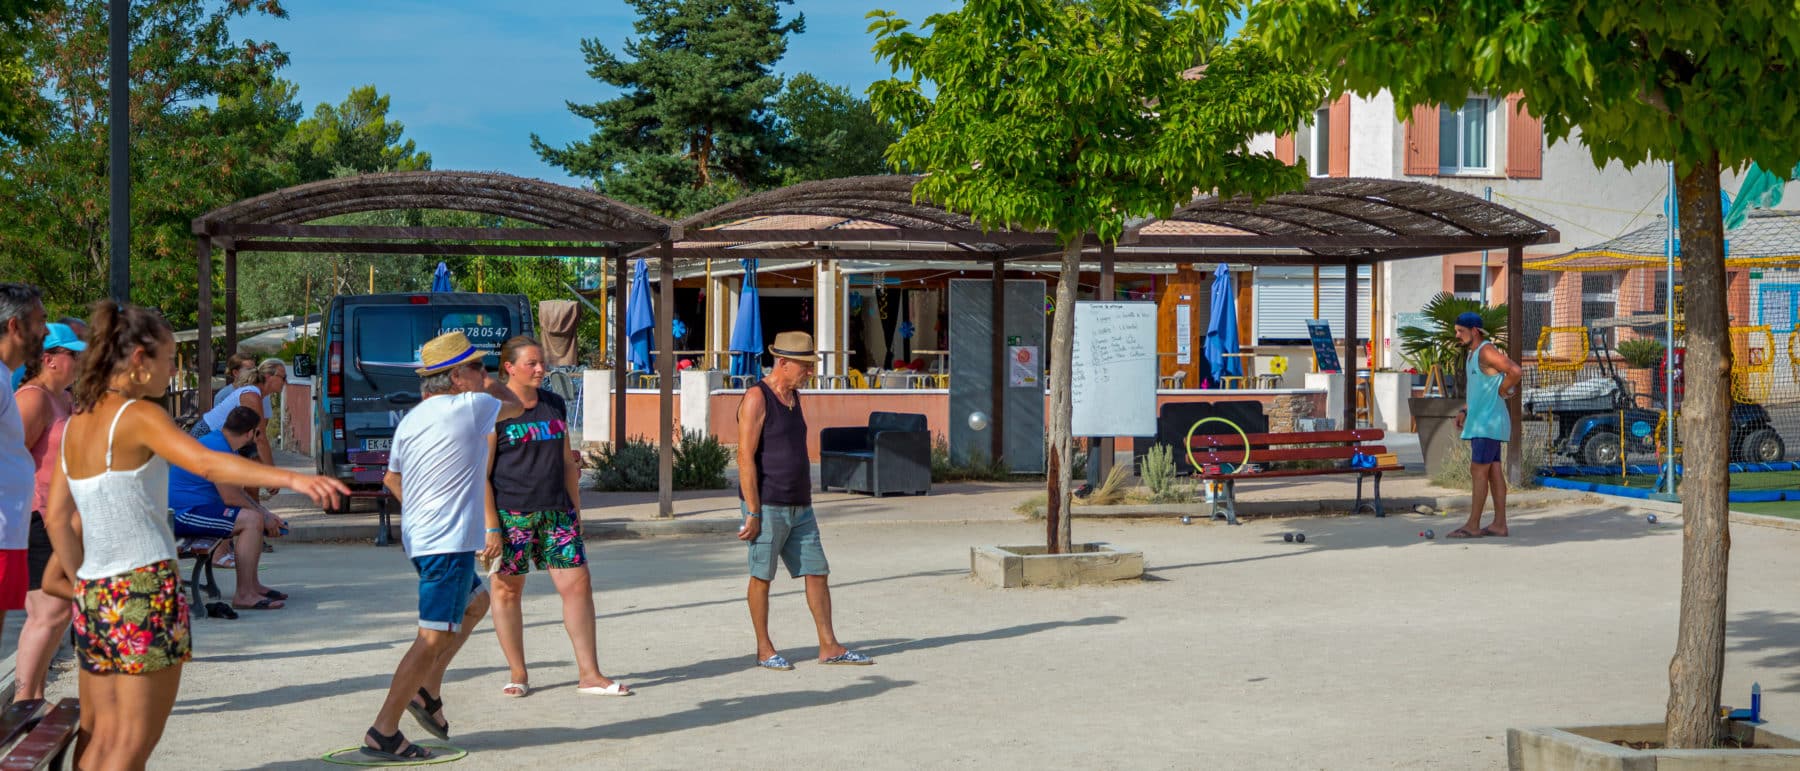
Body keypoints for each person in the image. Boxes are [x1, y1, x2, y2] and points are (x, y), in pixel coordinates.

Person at [42, 301, 344, 769]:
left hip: (96, 593)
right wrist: (292, 480)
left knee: (98, 737)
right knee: (131, 746)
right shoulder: (137, 415)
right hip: (144, 587)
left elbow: (59, 518)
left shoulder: (76, 423)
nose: (169, 370)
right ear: (139, 361)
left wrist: (85, 583)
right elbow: (204, 461)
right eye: (165, 359)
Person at [360, 331, 522, 762]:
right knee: (430, 639)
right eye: (476, 366)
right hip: (446, 544)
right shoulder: (470, 406)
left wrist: (427, 508)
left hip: (425, 540)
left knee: (476, 602)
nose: (483, 373)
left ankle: (427, 690)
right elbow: (517, 403)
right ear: (455, 377)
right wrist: (488, 383)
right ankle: (384, 730)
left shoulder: (411, 419)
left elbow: (391, 480)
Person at [486, 336, 629, 698]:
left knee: (578, 585)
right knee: (506, 591)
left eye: (541, 362)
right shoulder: (492, 410)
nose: (540, 368)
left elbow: (567, 461)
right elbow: (480, 475)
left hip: (557, 513)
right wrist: (491, 527)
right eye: (532, 363)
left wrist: (575, 512)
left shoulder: (553, 403)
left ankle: (590, 674)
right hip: (510, 515)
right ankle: (518, 673)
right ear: (509, 367)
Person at [736, 331, 872, 670]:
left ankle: (829, 645)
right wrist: (752, 511)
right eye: (804, 366)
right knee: (762, 576)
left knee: (817, 572)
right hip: (766, 504)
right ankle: (764, 648)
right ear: (782, 363)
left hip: (800, 505)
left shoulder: (795, 398)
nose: (809, 372)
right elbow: (743, 457)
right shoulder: (757, 397)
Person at [13, 322, 85, 702]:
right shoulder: (34, 399)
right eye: (73, 354)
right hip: (36, 518)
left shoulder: (64, 398)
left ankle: (33, 698)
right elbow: (12, 459)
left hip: (58, 517)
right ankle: (24, 701)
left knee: (59, 611)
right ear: (49, 359)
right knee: (48, 612)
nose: (80, 360)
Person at [168, 406, 291, 610]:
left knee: (255, 517)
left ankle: (252, 586)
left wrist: (267, 514)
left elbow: (237, 492)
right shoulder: (218, 450)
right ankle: (244, 594)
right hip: (184, 514)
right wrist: (262, 516)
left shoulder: (221, 443)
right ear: (251, 433)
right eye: (258, 434)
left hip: (195, 509)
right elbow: (231, 497)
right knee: (252, 521)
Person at [0, 283, 49, 661]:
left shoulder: (5, 379)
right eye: (41, 321)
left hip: (9, 532)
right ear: (15, 326)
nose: (46, 331)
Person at [1450, 310, 1523, 539]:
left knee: (1478, 470)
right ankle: (1499, 525)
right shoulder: (1473, 354)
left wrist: (1503, 389)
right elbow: (1480, 391)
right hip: (1484, 422)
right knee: (1492, 471)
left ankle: (1473, 525)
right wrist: (1465, 410)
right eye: (1456, 331)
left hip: (1487, 424)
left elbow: (1515, 370)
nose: (1458, 335)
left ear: (1475, 331)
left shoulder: (1486, 351)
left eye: (1461, 331)